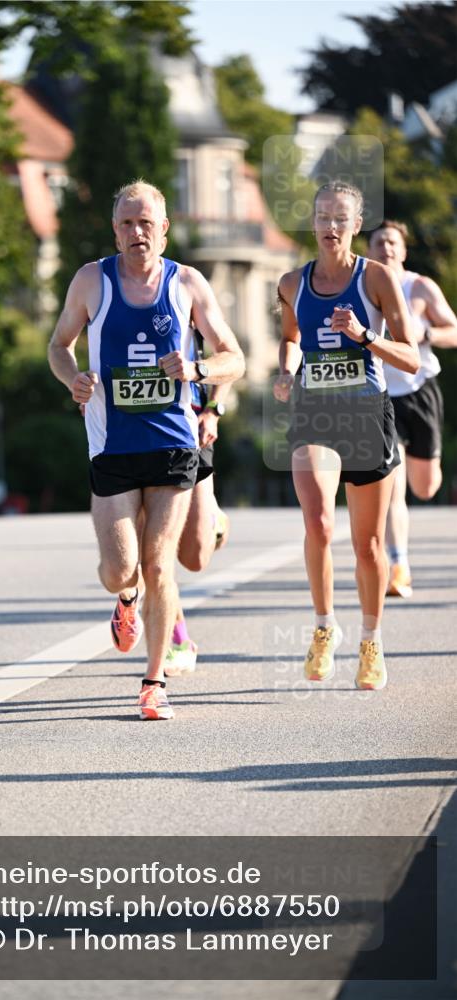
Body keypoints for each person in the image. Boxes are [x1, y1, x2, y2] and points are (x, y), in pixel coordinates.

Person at [48, 179, 245, 720]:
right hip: (112, 445)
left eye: (146, 223)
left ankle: (154, 682)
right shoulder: (92, 280)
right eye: (127, 224)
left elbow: (234, 356)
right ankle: (125, 598)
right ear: (115, 232)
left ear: (164, 229)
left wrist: (199, 370)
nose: (137, 232)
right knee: (121, 569)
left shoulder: (188, 283)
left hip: (173, 443)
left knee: (161, 564)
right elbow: (59, 345)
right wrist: (72, 379)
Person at [274, 181, 419, 691]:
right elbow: (290, 338)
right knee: (318, 522)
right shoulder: (292, 283)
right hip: (315, 412)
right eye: (323, 217)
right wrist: (287, 371)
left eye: (341, 219)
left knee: (369, 544)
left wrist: (365, 336)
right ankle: (323, 626)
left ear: (356, 225)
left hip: (366, 414)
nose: (330, 227)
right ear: (312, 222)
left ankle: (371, 640)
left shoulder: (376, 278)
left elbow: (411, 356)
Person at [367, 220, 457, 598]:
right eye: (379, 242)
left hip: (420, 392)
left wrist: (425, 334)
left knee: (425, 486)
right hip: (381, 397)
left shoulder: (420, 287)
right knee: (393, 486)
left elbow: (454, 330)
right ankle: (398, 565)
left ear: (403, 250)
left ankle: (399, 562)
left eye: (393, 242)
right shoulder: (362, 286)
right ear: (369, 250)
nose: (386, 248)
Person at [165, 329, 232, 677]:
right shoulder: (99, 295)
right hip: (129, 427)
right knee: (152, 547)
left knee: (194, 557)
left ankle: (212, 515)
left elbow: (230, 356)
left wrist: (214, 409)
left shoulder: (190, 297)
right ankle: (178, 639)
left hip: (189, 422)